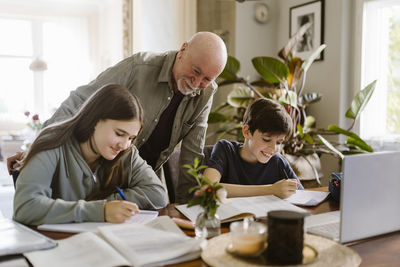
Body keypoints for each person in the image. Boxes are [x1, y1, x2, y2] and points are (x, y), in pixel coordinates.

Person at [8, 31, 228, 203]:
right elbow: (80, 101)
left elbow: (193, 152)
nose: (197, 83)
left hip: (144, 174)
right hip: (107, 169)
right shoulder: (139, 67)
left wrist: (187, 209)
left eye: (207, 78)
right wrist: (38, 146)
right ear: (183, 50)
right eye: (195, 71)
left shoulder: (206, 92)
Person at [13, 84, 168, 225]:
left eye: (131, 138)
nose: (124, 144)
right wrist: (100, 210)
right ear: (95, 121)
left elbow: (158, 194)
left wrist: (109, 204)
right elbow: (26, 206)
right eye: (119, 133)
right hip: (56, 246)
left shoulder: (127, 152)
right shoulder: (52, 143)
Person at [203, 98, 304, 199]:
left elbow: (302, 196)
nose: (273, 148)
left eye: (279, 142)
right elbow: (209, 188)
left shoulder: (278, 162)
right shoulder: (225, 150)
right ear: (247, 132)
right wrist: (271, 190)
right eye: (266, 139)